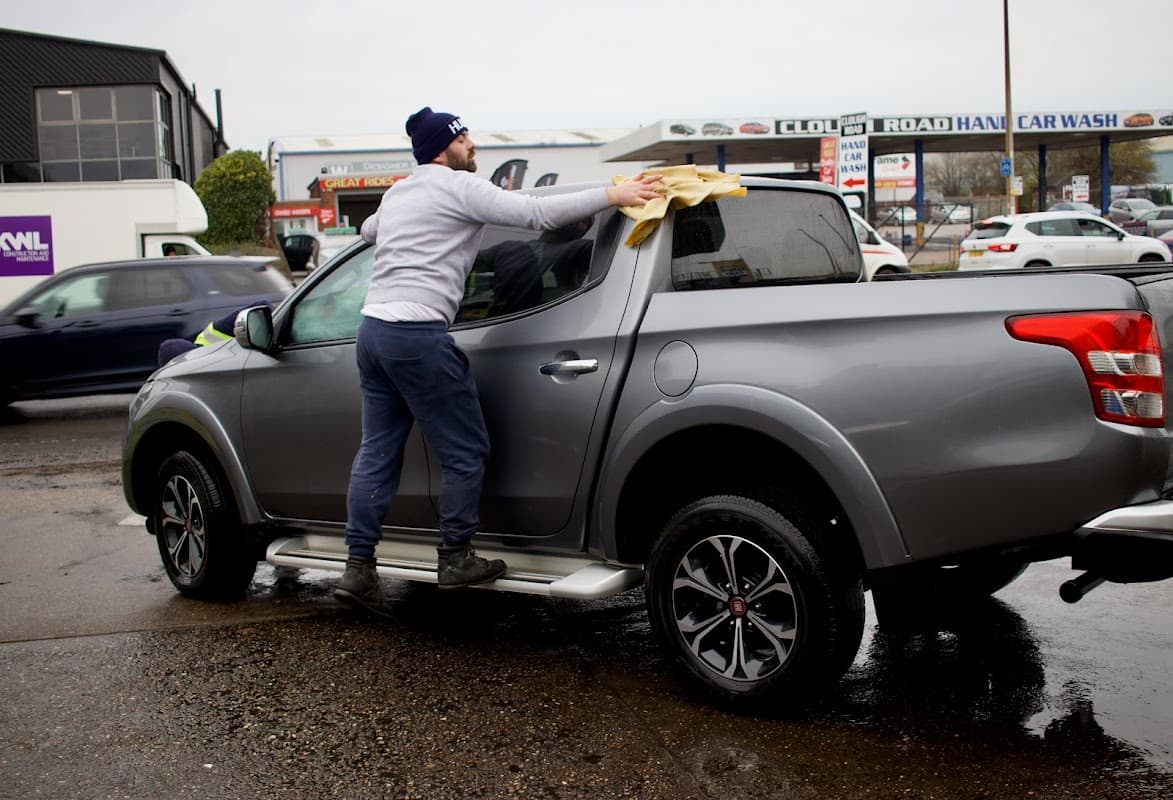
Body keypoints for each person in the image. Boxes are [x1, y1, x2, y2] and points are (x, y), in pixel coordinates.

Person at [334, 106, 661, 618]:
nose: (472, 145)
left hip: (373, 333)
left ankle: (358, 570)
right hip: (419, 334)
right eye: (464, 138)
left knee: (377, 452)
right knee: (465, 450)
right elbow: (535, 213)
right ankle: (456, 556)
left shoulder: (400, 194)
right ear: (444, 148)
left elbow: (369, 230)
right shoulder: (459, 189)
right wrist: (612, 195)